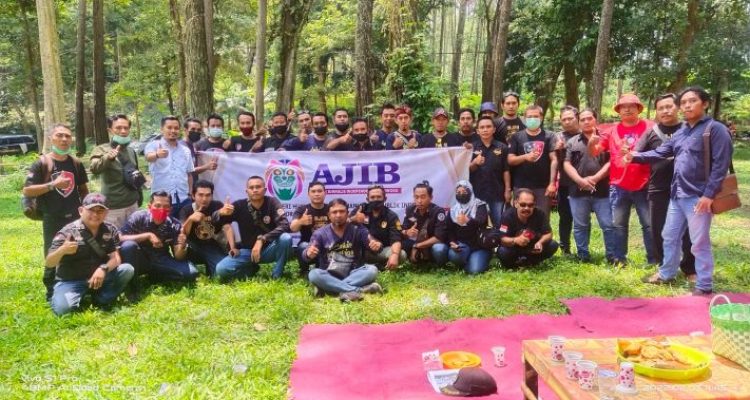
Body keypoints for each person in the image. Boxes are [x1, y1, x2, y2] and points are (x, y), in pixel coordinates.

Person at [627, 86, 733, 296]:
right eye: (683, 102)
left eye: (692, 101)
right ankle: (667, 273)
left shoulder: (715, 129)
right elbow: (661, 151)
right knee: (669, 236)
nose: (687, 106)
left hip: (698, 197)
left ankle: (704, 284)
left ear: (705, 104)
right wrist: (634, 156)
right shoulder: (682, 131)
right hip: (677, 195)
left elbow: (721, 165)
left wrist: (708, 195)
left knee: (698, 242)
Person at [23, 124, 89, 301]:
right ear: (51, 138)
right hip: (52, 217)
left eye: (67, 136)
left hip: (74, 218)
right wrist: (53, 185)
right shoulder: (41, 163)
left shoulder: (76, 163)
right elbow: (27, 190)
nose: (64, 139)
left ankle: (77, 285)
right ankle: (51, 291)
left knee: (77, 249)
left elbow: (83, 189)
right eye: (59, 135)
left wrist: (85, 209)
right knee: (52, 252)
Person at [588, 93, 656, 266]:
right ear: (618, 111)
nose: (627, 109)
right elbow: (595, 152)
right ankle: (620, 259)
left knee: (648, 224)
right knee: (619, 224)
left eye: (631, 106)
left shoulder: (650, 127)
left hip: (644, 183)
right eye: (623, 107)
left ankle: (653, 259)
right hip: (619, 186)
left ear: (638, 109)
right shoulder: (611, 130)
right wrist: (591, 142)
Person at [634, 94, 695, 280]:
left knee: (689, 230)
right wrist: (627, 153)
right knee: (659, 229)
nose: (665, 111)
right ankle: (664, 267)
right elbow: (637, 154)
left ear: (678, 107)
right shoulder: (651, 132)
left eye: (669, 106)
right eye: (661, 108)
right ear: (656, 111)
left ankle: (690, 269)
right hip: (658, 188)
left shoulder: (690, 129)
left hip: (687, 188)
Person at [46, 193, 134, 315]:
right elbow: (49, 262)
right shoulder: (67, 232)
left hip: (99, 277)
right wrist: (63, 250)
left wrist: (103, 269)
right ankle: (77, 295)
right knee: (63, 311)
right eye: (91, 210)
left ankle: (101, 298)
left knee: (127, 270)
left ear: (106, 213)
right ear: (81, 211)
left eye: (100, 211)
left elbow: (115, 259)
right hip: (72, 280)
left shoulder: (110, 230)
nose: (95, 215)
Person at [302, 198, 383, 302]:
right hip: (329, 274)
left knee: (372, 270)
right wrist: (308, 254)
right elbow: (306, 255)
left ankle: (329, 289)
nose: (338, 215)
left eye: (342, 211)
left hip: (354, 274)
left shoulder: (358, 229)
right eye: (334, 212)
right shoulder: (320, 233)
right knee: (314, 274)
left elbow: (373, 242)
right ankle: (359, 290)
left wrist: (377, 245)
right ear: (329, 215)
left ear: (347, 213)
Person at [214, 176, 293, 280]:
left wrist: (262, 239)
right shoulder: (239, 205)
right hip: (247, 252)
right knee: (221, 270)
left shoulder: (272, 202)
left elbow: (284, 225)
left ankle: (277, 275)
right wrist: (220, 213)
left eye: (258, 187)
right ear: (246, 191)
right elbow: (218, 223)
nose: (255, 190)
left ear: (265, 190)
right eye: (251, 188)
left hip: (270, 249)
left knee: (285, 238)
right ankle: (250, 270)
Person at [563, 109, 616, 263]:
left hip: (603, 190)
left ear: (595, 119)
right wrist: (580, 180)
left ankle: (612, 256)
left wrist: (596, 178)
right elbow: (566, 164)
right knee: (580, 225)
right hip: (578, 191)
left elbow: (612, 161)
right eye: (583, 119)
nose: (586, 122)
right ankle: (583, 255)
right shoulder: (572, 142)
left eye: (589, 118)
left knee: (608, 225)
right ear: (579, 122)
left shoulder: (606, 139)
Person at [120, 191, 198, 284]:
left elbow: (178, 256)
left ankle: (156, 275)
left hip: (161, 259)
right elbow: (120, 238)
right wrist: (148, 235)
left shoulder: (174, 224)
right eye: (157, 206)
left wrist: (182, 246)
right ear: (149, 207)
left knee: (191, 273)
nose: (161, 209)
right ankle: (133, 286)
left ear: (170, 209)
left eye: (166, 207)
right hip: (139, 258)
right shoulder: (138, 217)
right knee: (128, 246)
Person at [89, 114, 143, 227]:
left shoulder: (131, 151)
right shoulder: (101, 149)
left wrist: (139, 196)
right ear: (110, 130)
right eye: (118, 128)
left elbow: (135, 174)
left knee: (134, 236)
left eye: (126, 128)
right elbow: (94, 168)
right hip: (113, 208)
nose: (123, 131)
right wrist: (107, 158)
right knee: (114, 237)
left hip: (133, 204)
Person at [508, 105, 558, 220]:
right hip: (521, 186)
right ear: (524, 118)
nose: (532, 119)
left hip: (543, 187)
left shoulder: (549, 136)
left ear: (541, 117)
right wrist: (525, 157)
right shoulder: (516, 137)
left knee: (543, 219)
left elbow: (554, 159)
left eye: (536, 116)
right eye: (529, 117)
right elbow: (510, 160)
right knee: (520, 218)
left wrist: (552, 183)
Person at [178, 180, 235, 277]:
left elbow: (227, 227)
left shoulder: (218, 206)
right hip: (193, 246)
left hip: (212, 245)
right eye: (200, 195)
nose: (204, 199)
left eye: (208, 195)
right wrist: (190, 219)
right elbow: (183, 233)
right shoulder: (186, 209)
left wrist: (232, 248)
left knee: (223, 272)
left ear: (212, 196)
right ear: (193, 196)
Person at [145, 116, 195, 218]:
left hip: (184, 198)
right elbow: (148, 157)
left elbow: (189, 174)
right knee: (163, 225)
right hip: (162, 200)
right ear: (162, 129)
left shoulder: (185, 150)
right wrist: (157, 155)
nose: (173, 131)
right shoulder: (154, 145)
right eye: (169, 127)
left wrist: (190, 193)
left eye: (176, 128)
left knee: (186, 225)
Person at [496, 189, 559, 268]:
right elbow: (502, 239)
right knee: (502, 251)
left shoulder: (540, 214)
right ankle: (517, 264)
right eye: (523, 204)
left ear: (534, 204)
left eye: (530, 205)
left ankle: (530, 262)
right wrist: (515, 240)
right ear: (516, 204)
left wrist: (540, 243)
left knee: (553, 244)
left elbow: (548, 234)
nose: (526, 208)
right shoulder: (507, 216)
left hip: (532, 248)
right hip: (514, 248)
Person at [349, 185, 406, 270]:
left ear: (385, 198)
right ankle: (375, 266)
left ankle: (372, 265)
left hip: (380, 250)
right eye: (372, 197)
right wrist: (354, 218)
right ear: (367, 199)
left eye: (379, 197)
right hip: (360, 250)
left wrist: (394, 255)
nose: (375, 199)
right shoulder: (361, 209)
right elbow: (342, 223)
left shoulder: (391, 216)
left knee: (401, 255)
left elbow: (396, 239)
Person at [470, 115, 511, 226]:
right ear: (477, 131)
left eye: (488, 126)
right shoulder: (471, 148)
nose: (485, 130)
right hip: (477, 194)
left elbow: (506, 170)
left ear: (494, 129)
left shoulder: (502, 147)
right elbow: (466, 170)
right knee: (477, 225)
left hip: (497, 193)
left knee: (500, 224)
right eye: (482, 127)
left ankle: (500, 238)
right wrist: (475, 163)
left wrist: (508, 190)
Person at [447, 181, 492, 274]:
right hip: (463, 245)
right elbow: (450, 229)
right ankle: (468, 261)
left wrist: (467, 220)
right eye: (458, 192)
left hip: (479, 246)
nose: (461, 194)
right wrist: (452, 242)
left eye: (464, 192)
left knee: (475, 270)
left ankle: (474, 261)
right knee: (453, 255)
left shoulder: (480, 205)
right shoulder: (453, 210)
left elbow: (481, 221)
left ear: (470, 191)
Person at [401, 181, 449, 266]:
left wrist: (417, 246)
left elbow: (439, 237)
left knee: (439, 249)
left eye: (423, 197)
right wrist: (407, 232)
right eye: (416, 197)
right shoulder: (410, 209)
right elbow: (402, 229)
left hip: (431, 244)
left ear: (431, 197)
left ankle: (437, 265)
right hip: (415, 242)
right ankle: (417, 260)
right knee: (399, 242)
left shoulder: (438, 211)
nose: (419, 201)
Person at [555, 106, 581, 254]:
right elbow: (552, 161)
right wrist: (557, 150)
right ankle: (565, 248)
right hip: (565, 184)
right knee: (565, 217)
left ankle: (582, 248)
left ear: (577, 118)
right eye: (564, 119)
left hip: (583, 183)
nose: (567, 122)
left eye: (570, 118)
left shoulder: (586, 134)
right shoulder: (557, 137)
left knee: (582, 218)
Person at [290, 182, 330, 277]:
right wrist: (301, 221)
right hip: (308, 246)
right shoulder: (302, 209)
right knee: (302, 246)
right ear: (308, 194)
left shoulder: (331, 209)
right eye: (313, 191)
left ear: (325, 193)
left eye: (319, 191)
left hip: (327, 246)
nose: (316, 194)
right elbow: (293, 228)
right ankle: (304, 270)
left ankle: (321, 268)